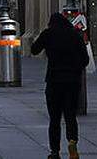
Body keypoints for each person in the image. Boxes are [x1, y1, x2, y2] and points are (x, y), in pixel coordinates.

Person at [31, 12, 90, 159]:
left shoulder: (48, 33)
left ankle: (55, 151)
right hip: (72, 82)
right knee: (70, 115)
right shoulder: (75, 35)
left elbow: (34, 49)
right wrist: (75, 69)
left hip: (54, 81)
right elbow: (85, 59)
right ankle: (72, 141)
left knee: (54, 119)